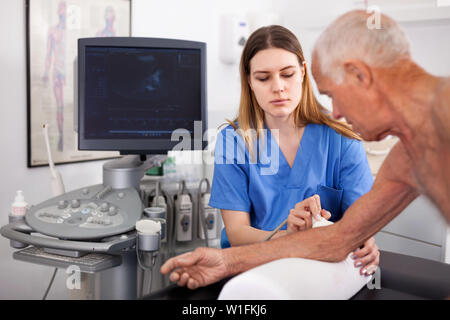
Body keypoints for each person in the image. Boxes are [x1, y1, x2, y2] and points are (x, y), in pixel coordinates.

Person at [160, 10, 449, 290]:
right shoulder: (407, 158)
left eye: (333, 95)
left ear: (359, 75)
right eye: (263, 77)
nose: (336, 111)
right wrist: (227, 261)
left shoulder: (356, 138)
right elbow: (341, 238)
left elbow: (346, 237)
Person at [208, 25, 378, 277]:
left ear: (302, 72)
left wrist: (366, 242)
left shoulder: (342, 139)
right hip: (254, 270)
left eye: (287, 74)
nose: (278, 87)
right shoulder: (234, 141)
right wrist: (289, 238)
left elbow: (359, 226)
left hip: (321, 272)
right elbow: (237, 233)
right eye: (263, 78)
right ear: (249, 82)